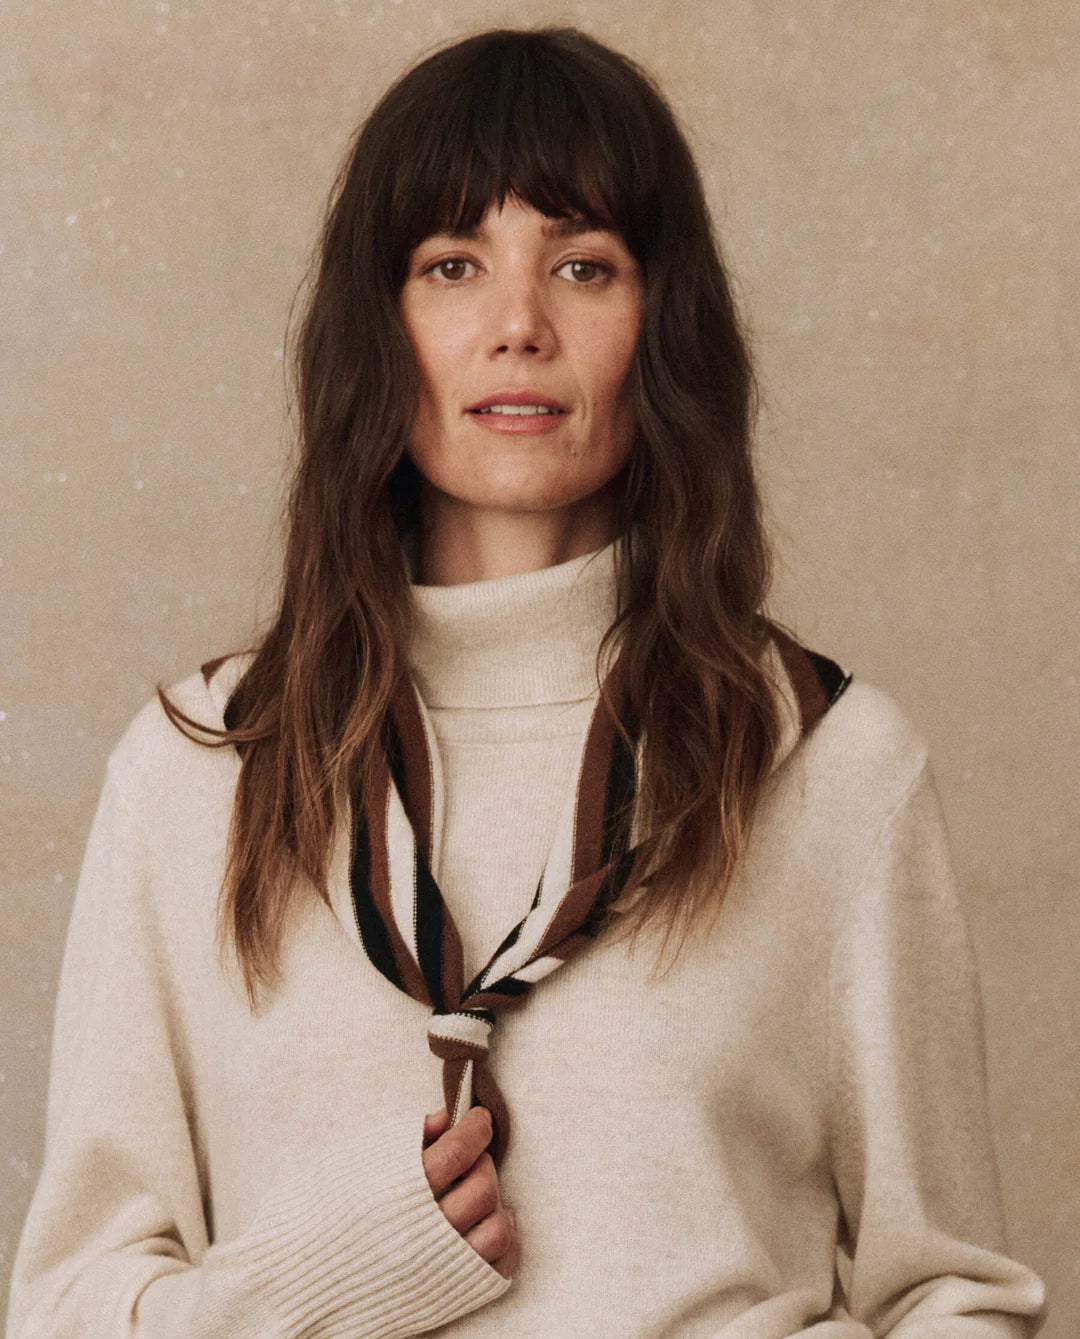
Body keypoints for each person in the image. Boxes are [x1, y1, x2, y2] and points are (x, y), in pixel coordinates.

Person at [7, 26, 1047, 1339]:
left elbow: (953, 1286)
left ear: (659, 325)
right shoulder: (196, 769)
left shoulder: (828, 761)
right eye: (453, 266)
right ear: (378, 329)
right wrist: (327, 1276)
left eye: (582, 265)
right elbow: (64, 1307)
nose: (519, 326)